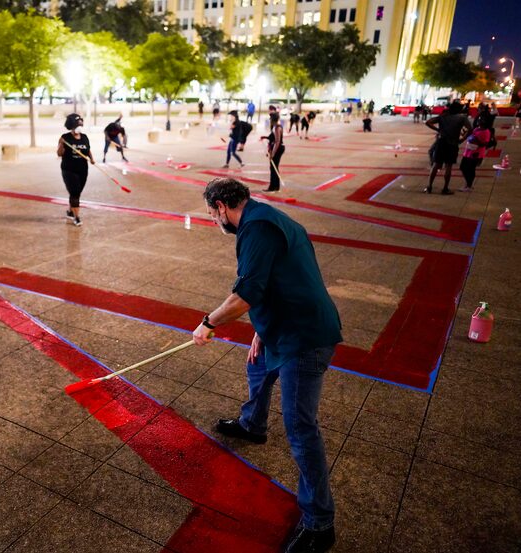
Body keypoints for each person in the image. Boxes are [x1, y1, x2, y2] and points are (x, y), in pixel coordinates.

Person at [194, 177, 342, 553]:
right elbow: (281, 278)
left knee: (300, 426)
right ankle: (252, 424)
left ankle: (320, 524)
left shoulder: (256, 228)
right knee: (258, 367)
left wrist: (208, 323)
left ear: (223, 207)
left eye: (213, 215)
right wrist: (263, 325)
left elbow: (246, 293)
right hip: (283, 325)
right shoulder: (267, 217)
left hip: (304, 338)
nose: (215, 222)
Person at [424, 100, 472, 195]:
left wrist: (438, 129)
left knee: (436, 165)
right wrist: (462, 139)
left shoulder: (443, 116)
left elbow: (428, 122)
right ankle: (445, 188)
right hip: (453, 143)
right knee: (448, 166)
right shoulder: (462, 118)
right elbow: (470, 129)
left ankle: (429, 187)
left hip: (441, 142)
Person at [57, 113, 94, 227]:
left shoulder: (84, 137)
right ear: (71, 126)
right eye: (77, 125)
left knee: (77, 192)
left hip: (83, 169)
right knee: (75, 192)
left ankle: (70, 211)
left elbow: (88, 150)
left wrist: (92, 159)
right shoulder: (65, 138)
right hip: (69, 169)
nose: (79, 127)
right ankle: (76, 217)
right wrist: (62, 145)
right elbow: (59, 154)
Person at [458, 117, 491, 192]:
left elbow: (485, 144)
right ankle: (468, 184)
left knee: (471, 169)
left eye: (480, 121)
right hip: (468, 151)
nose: (478, 122)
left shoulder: (486, 131)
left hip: (476, 153)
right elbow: (470, 135)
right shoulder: (476, 129)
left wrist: (477, 140)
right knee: (462, 167)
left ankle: (469, 185)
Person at [261, 111, 285, 192]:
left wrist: (273, 153)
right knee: (274, 167)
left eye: (270, 118)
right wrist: (265, 137)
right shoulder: (277, 127)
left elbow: (277, 141)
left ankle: (273, 187)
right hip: (277, 147)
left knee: (274, 167)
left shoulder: (277, 127)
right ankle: (275, 186)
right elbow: (273, 138)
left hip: (278, 148)